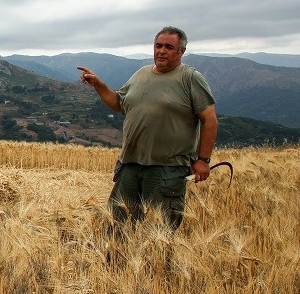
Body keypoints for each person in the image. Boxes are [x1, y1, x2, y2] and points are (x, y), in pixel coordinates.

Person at [77, 26, 218, 232]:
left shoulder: (190, 78)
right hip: (130, 165)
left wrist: (203, 160)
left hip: (167, 169)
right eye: (158, 45)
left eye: (169, 47)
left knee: (158, 233)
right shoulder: (141, 74)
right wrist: (98, 84)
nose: (162, 51)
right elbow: (118, 103)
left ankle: (155, 265)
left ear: (181, 51)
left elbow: (210, 120)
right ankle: (117, 264)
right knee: (117, 228)